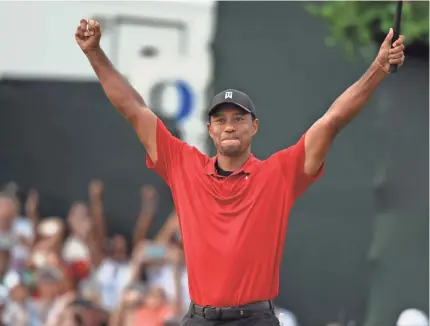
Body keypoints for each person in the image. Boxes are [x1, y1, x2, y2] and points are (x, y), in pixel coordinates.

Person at [75, 19, 405, 326]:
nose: (229, 126)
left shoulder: (279, 173)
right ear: (210, 129)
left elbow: (331, 121)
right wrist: (95, 53)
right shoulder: (183, 165)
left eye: (239, 118)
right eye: (220, 119)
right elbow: (134, 108)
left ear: (254, 127)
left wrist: (378, 67)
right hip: (199, 318)